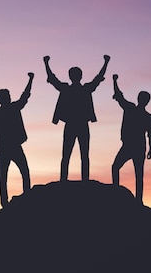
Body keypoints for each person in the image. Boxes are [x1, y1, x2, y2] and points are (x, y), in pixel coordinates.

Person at [43, 54, 110, 182]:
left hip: (76, 125)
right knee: (77, 155)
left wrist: (46, 63)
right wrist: (106, 63)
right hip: (78, 125)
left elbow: (53, 79)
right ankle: (77, 180)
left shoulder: (73, 89)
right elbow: (98, 79)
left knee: (72, 155)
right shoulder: (80, 89)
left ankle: (69, 180)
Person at [0, 72, 34, 208]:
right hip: (9, 147)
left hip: (6, 147)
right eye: (6, 96)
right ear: (2, 99)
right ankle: (7, 202)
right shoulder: (9, 110)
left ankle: (9, 202)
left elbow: (25, 96)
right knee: (13, 174)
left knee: (11, 174)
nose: (8, 98)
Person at [111, 74, 151, 205]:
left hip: (134, 146)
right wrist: (115, 82)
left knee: (118, 168)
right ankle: (136, 199)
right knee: (134, 173)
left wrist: (114, 81)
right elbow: (119, 96)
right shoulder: (144, 115)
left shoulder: (134, 110)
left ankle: (134, 199)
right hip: (135, 146)